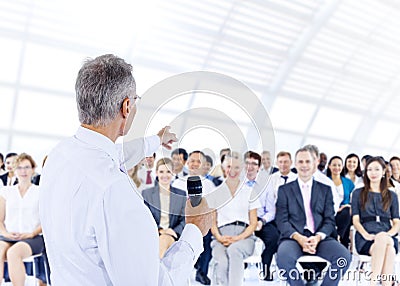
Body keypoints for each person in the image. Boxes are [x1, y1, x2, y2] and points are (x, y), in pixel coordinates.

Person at [39, 54, 212, 286]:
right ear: (126, 106)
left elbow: (114, 154)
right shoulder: (114, 190)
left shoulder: (60, 155)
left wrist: (156, 140)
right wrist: (194, 231)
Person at [275, 147, 351, 286]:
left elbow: (329, 220)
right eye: (301, 162)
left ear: (314, 164)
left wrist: (318, 237)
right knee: (283, 258)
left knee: (344, 257)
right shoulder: (284, 190)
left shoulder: (325, 189)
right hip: (293, 237)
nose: (304, 165)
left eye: (308, 161)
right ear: (295, 164)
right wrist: (299, 238)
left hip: (319, 238)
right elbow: (281, 220)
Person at [209, 155, 260, 286]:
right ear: (223, 168)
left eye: (236, 167)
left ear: (242, 169)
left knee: (234, 250)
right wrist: (220, 238)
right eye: (229, 167)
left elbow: (253, 223)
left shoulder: (250, 192)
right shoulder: (215, 193)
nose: (232, 170)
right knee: (222, 261)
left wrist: (237, 238)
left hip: (245, 237)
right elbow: (212, 223)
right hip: (221, 237)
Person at [351, 156, 399, 286]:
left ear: (384, 171)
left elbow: (397, 222)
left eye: (377, 169)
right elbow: (355, 220)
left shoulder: (392, 195)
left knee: (384, 240)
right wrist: (366, 235)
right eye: (369, 169)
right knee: (390, 251)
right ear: (365, 172)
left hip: (387, 234)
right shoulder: (358, 193)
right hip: (365, 237)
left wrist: (386, 235)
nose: (373, 173)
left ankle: (372, 283)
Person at [0, 153, 44, 286]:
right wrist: (5, 233)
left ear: (33, 169)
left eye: (27, 167)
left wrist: (32, 233)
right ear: (14, 170)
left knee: (13, 253)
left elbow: (47, 221)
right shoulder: (6, 191)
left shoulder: (40, 192)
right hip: (9, 236)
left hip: (33, 237)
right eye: (19, 168)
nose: (23, 171)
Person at [172, 150, 216, 285]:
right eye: (192, 161)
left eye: (199, 161)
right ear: (187, 163)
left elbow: (213, 209)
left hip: (202, 223)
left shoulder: (209, 185)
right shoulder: (178, 183)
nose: (195, 164)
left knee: (207, 242)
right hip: (181, 222)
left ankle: (201, 273)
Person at [256, 151, 296, 281]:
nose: (283, 165)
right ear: (277, 163)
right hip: (274, 216)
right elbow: (270, 201)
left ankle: (288, 270)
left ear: (291, 162)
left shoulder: (297, 178)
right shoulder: (271, 179)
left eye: (286, 161)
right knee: (274, 238)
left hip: (293, 218)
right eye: (281, 162)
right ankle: (266, 268)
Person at [142, 158, 186, 258]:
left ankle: (155, 270)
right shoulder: (147, 194)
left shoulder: (181, 195)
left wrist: (174, 231)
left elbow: (185, 219)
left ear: (173, 173)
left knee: (164, 240)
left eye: (168, 172)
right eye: (161, 172)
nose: (165, 175)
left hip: (173, 234)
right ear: (156, 173)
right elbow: (145, 218)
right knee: (162, 240)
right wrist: (160, 230)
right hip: (154, 234)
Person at [326, 156, 354, 249]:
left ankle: (338, 236)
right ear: (329, 166)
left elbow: (354, 199)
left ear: (342, 167)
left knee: (347, 212)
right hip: (329, 211)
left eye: (339, 165)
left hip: (344, 212)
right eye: (334, 165)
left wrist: (345, 206)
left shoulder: (348, 182)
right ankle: (341, 241)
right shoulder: (325, 181)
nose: (337, 167)